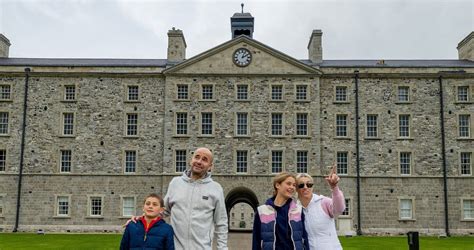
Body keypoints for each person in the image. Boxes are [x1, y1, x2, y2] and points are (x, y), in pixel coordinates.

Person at [252, 172, 309, 250]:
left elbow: (304, 239)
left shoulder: (298, 210)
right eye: (288, 184)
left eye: (294, 185)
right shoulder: (262, 211)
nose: (292, 187)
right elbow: (256, 241)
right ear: (277, 185)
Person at [296, 163, 346, 250]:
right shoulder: (294, 208)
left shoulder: (323, 202)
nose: (305, 187)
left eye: (309, 184)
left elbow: (339, 209)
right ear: (296, 188)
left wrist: (334, 187)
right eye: (301, 185)